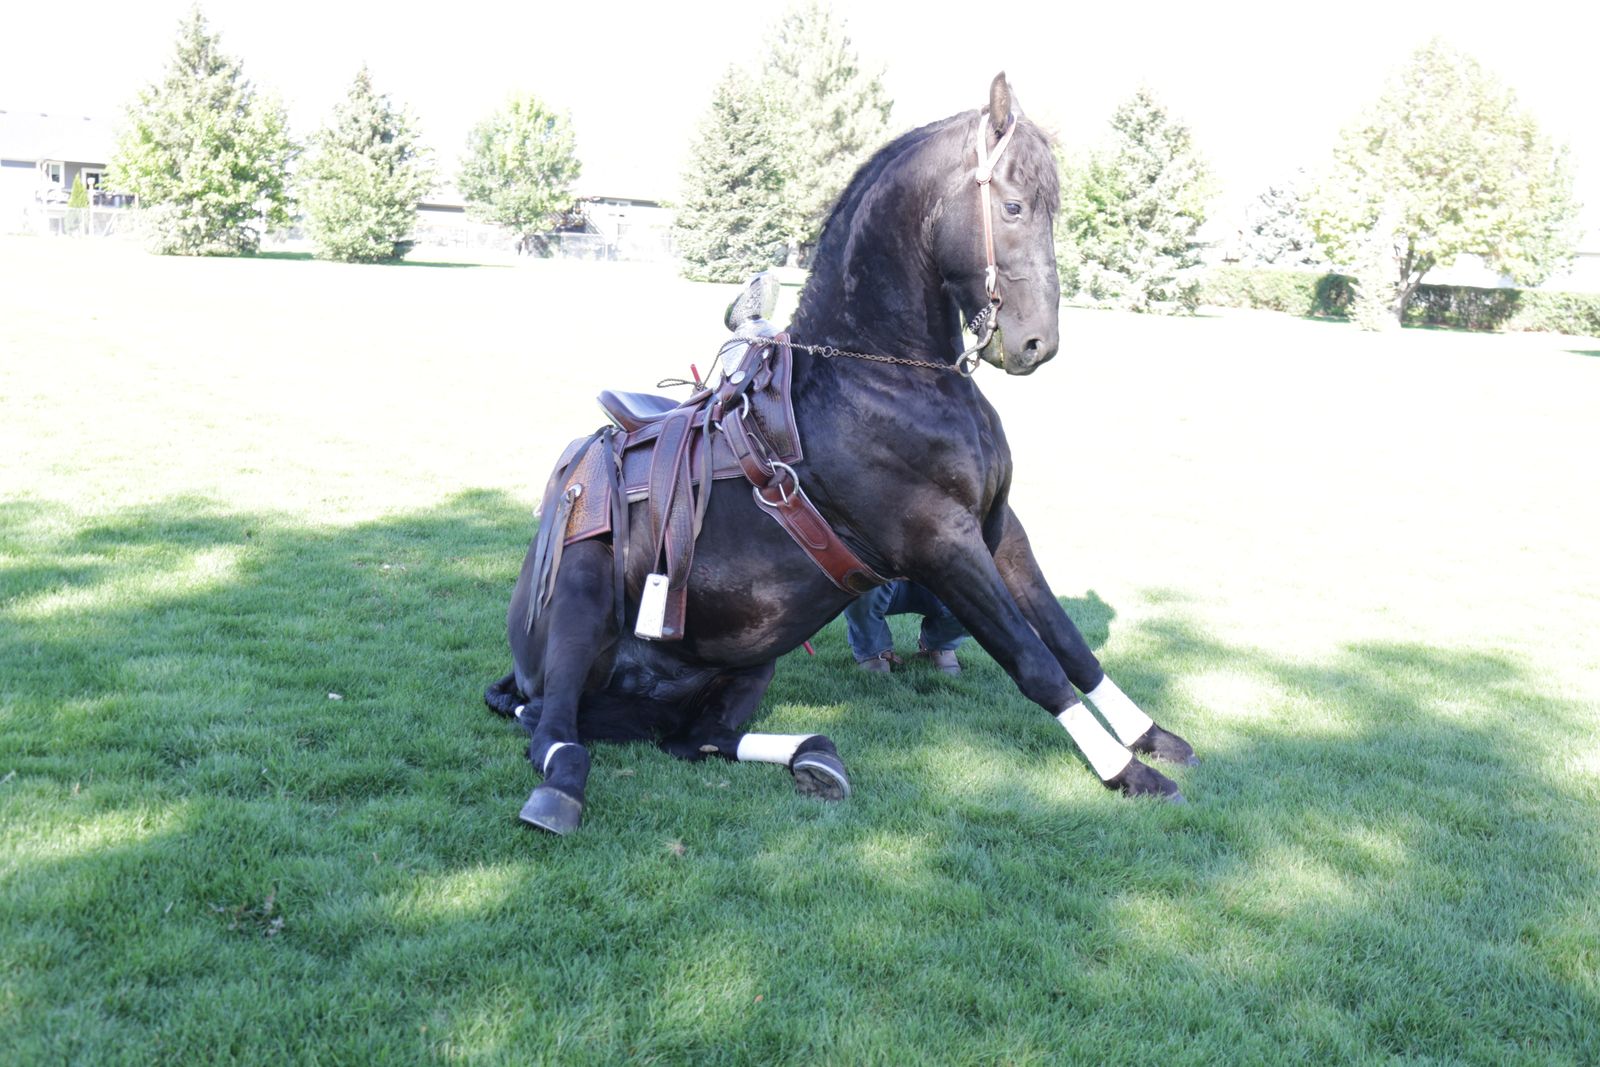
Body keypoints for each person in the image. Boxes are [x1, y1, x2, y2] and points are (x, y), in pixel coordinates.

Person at [843, 580, 967, 675]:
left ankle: (941, 645)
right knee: (860, 580)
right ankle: (873, 651)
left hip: (933, 577)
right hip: (885, 575)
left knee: (968, 589)